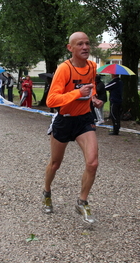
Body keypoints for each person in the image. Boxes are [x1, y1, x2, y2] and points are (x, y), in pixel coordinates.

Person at [43, 32, 103, 224]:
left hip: (84, 120)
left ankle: (82, 202)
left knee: (92, 163)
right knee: (55, 164)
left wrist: (93, 98)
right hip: (64, 120)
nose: (85, 47)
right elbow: (51, 100)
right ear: (70, 48)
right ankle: (46, 191)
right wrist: (77, 93)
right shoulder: (64, 69)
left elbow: (91, 86)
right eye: (80, 44)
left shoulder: (92, 66)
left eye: (87, 43)